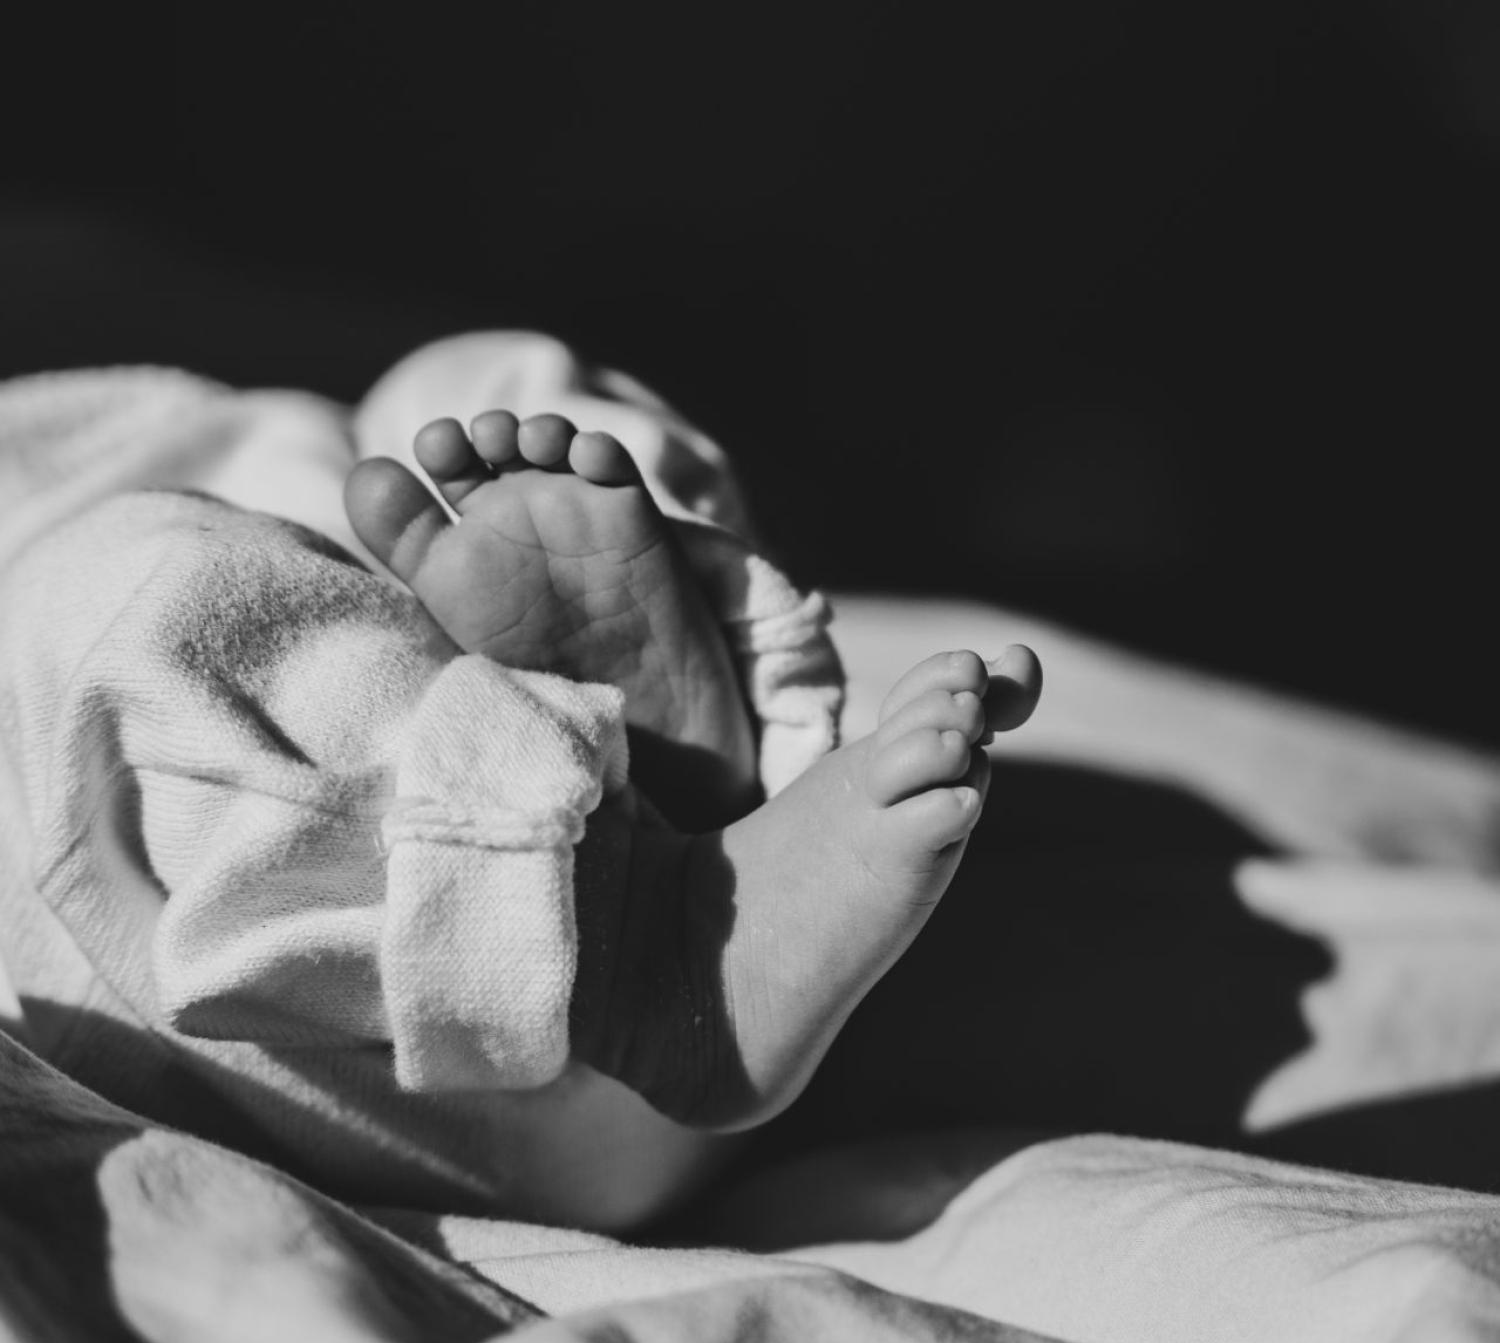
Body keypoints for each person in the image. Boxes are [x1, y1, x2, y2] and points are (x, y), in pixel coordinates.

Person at [0, 332, 1039, 1231]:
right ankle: (622, 912)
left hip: (713, 961)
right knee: (103, 610)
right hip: (433, 1026)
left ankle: (657, 773)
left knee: (483, 383)